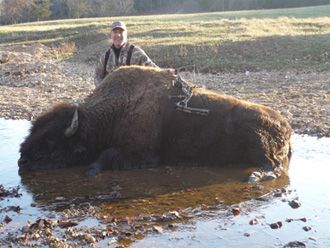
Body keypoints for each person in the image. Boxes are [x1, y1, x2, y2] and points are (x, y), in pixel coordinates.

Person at [94, 21, 175, 86]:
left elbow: (151, 67)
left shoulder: (136, 52)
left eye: (121, 32)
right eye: (115, 32)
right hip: (110, 95)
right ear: (111, 35)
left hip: (132, 96)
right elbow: (98, 75)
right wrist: (102, 89)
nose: (118, 35)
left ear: (126, 35)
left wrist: (164, 72)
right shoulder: (106, 56)